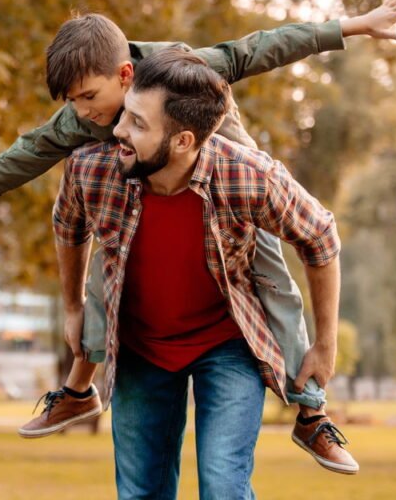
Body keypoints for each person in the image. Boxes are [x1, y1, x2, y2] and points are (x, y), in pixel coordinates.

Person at [0, 0, 396, 472]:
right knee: (106, 272)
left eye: (88, 97)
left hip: (234, 201)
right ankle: (78, 391)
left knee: (274, 285)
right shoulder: (80, 118)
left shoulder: (181, 69)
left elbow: (261, 48)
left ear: (125, 74)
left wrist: (354, 26)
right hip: (141, 198)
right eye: (72, 101)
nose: (83, 113)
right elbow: (26, 153)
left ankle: (312, 412)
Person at [55, 48, 345, 497]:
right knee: (140, 493)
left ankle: (312, 418)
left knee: (223, 486)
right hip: (140, 347)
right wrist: (73, 306)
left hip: (228, 346)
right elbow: (68, 226)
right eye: (126, 113)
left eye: (138, 124)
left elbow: (320, 236)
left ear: (183, 141)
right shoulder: (91, 170)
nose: (119, 130)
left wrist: (325, 344)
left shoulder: (247, 176)